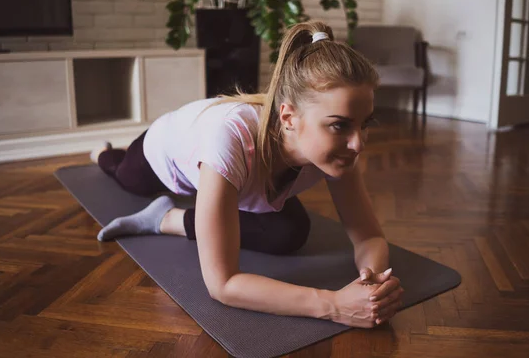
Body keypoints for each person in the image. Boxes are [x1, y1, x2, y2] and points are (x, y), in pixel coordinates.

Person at [92, 20, 403, 328]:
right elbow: (222, 284)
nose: (358, 143)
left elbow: (370, 237)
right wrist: (334, 305)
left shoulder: (340, 152)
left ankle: (166, 218)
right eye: (340, 125)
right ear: (289, 117)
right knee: (123, 175)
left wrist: (372, 286)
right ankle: (103, 153)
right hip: (165, 150)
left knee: (289, 232)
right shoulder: (230, 139)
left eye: (365, 124)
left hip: (233, 177)